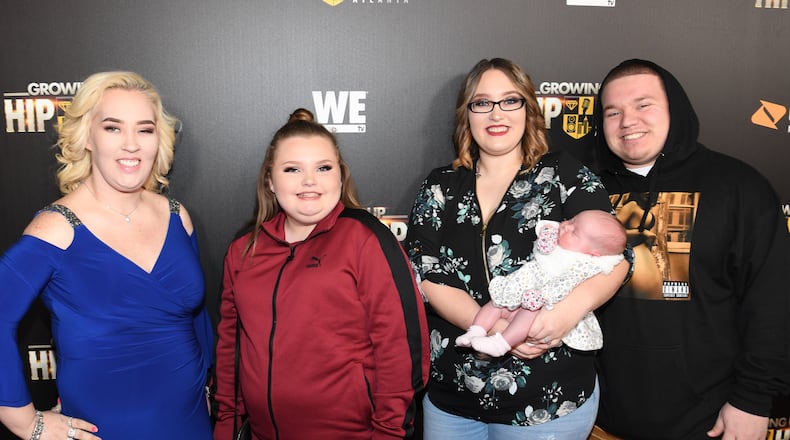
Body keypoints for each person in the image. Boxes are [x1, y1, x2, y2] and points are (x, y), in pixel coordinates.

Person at [405, 58, 629, 440]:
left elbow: (616, 259)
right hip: (452, 397)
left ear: (529, 109)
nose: (496, 113)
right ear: (467, 115)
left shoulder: (563, 172)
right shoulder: (441, 184)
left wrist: (558, 320)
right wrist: (502, 328)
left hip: (548, 401)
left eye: (510, 100)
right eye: (482, 102)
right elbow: (423, 270)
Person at [0, 71, 214, 439]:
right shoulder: (57, 228)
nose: (131, 144)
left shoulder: (178, 216)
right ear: (86, 136)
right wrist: (23, 421)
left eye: (144, 130)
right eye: (113, 128)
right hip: (106, 427)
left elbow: (197, 318)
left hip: (191, 419)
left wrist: (208, 385)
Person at [591, 59, 790, 440]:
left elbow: (773, 303)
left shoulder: (739, 187)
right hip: (596, 421)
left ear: (675, 109)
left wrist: (752, 400)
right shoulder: (584, 192)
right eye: (612, 112)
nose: (627, 121)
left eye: (643, 105)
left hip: (710, 423)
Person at [212, 108, 429, 440]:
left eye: (323, 168)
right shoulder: (244, 251)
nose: (309, 181)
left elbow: (400, 351)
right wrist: (226, 430)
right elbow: (231, 354)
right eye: (293, 169)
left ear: (340, 177)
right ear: (270, 180)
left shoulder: (367, 239)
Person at [456, 210, 626, 357]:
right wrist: (548, 236)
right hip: (522, 287)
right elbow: (544, 230)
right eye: (572, 220)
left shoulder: (583, 264)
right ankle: (475, 331)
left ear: (593, 253)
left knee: (527, 316)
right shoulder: (559, 237)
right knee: (496, 303)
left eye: (574, 232)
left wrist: (542, 296)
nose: (566, 226)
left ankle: (502, 344)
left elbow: (564, 285)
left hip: (542, 301)